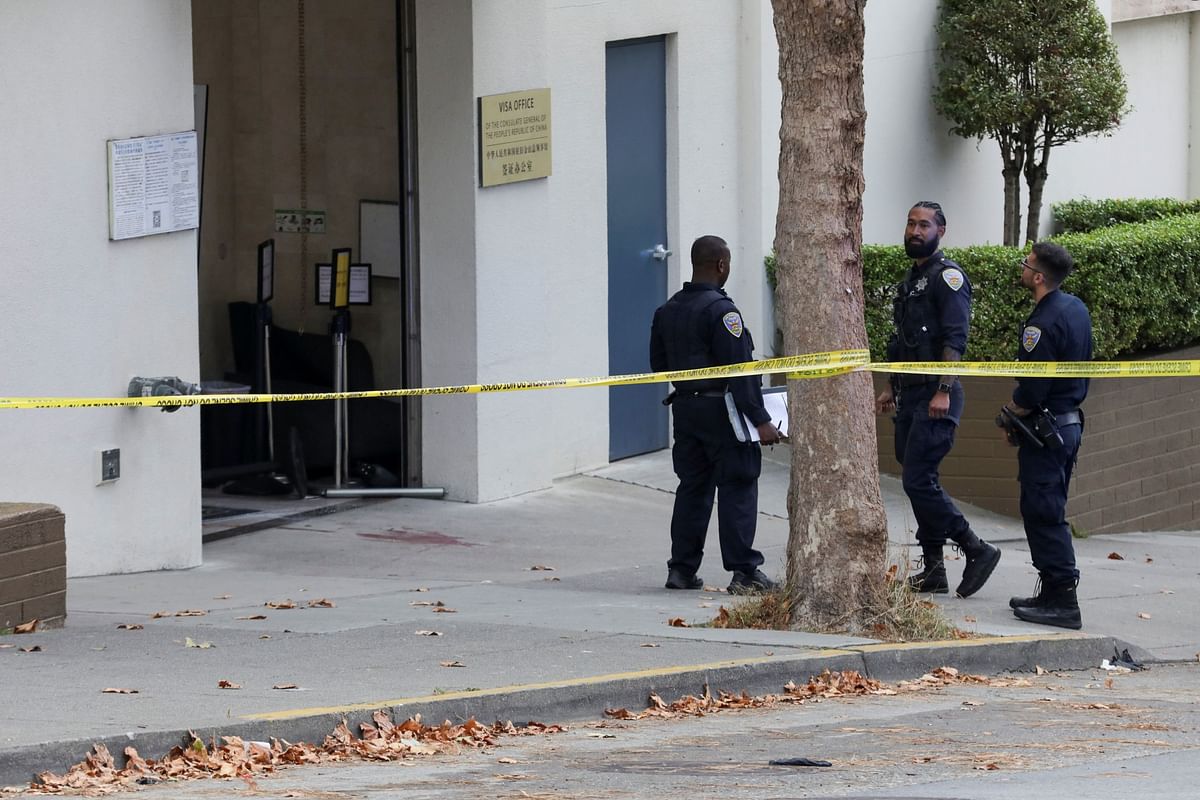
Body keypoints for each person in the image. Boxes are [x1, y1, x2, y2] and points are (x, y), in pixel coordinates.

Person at [875, 202, 1001, 598]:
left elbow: (954, 340)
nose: (915, 230)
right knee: (918, 481)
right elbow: (902, 344)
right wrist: (889, 386)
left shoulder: (947, 278)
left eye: (923, 225)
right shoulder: (911, 281)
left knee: (917, 479)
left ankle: (976, 548)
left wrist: (943, 390)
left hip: (935, 395)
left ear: (940, 231)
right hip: (910, 395)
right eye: (911, 223)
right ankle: (933, 569)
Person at [650, 235, 782, 595]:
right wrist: (761, 420)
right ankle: (744, 572)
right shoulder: (723, 313)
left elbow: (658, 367)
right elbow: (740, 371)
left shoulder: (668, 310)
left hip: (686, 410)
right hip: (723, 410)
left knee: (692, 489)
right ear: (721, 265)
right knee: (738, 485)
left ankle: (681, 569)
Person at [1003, 242, 1092, 630]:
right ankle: (1050, 593)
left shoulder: (1041, 323)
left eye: (1027, 265)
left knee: (1043, 511)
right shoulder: (1076, 308)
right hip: (1067, 423)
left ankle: (1062, 601)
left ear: (1039, 277)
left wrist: (1012, 411)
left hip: (1048, 425)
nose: (1023, 269)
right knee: (1047, 506)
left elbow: (1034, 388)